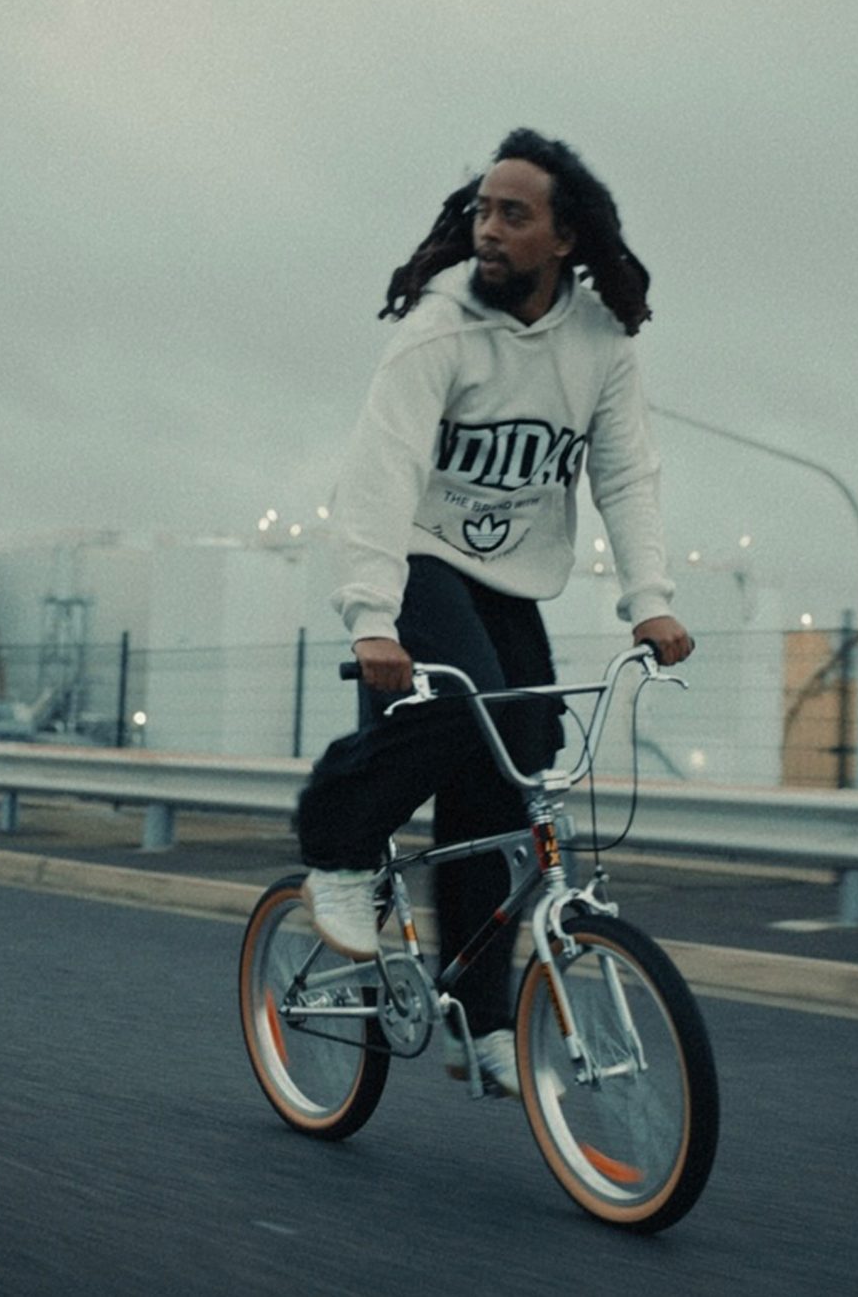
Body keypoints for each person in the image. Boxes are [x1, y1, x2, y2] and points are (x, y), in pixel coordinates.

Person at [295, 128, 693, 1096]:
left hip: (515, 575)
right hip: (419, 553)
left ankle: (478, 1011)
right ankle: (338, 845)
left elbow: (626, 475)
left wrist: (651, 602)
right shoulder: (440, 328)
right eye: (482, 210)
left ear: (565, 236)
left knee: (516, 758)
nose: (490, 229)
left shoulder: (600, 343)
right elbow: (380, 473)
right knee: (457, 712)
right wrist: (371, 617)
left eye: (515, 214)